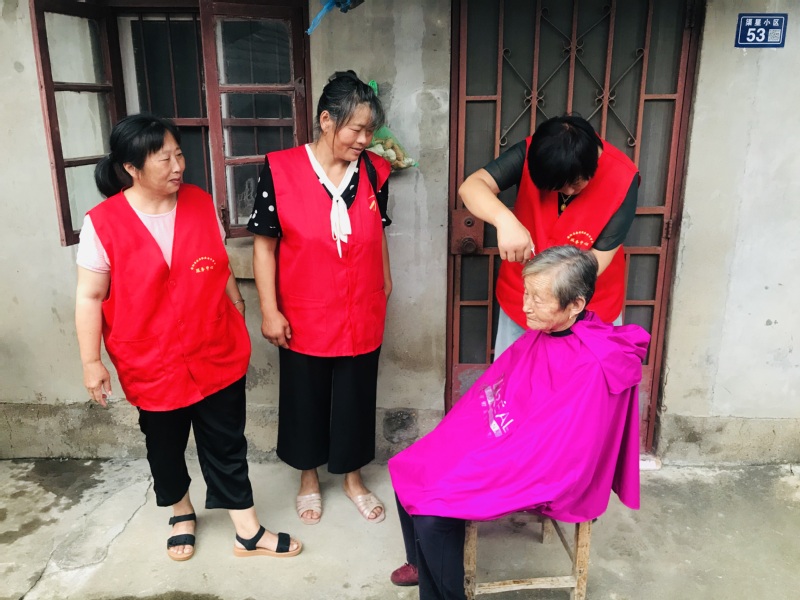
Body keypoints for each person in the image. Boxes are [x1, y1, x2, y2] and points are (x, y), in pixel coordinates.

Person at [75, 113, 301, 561]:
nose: (178, 166)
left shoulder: (199, 202)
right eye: (164, 159)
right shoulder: (102, 223)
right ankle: (181, 512)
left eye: (179, 154)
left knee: (226, 440)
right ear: (132, 168)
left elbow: (215, 262)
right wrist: (91, 361)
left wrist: (236, 302)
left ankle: (247, 529)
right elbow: (90, 295)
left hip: (214, 347)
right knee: (164, 445)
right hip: (151, 360)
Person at [388, 246, 649, 599]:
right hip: (510, 439)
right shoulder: (548, 331)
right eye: (526, 293)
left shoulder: (593, 364)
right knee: (409, 463)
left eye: (537, 299)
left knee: (433, 512)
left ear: (576, 304)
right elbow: (506, 389)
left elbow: (565, 451)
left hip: (544, 468)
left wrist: (491, 455)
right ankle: (421, 562)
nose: (525, 306)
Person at [249, 71, 393, 526]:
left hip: (362, 306)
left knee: (356, 396)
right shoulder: (280, 170)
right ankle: (308, 478)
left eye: (370, 131)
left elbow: (379, 231)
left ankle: (352, 478)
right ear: (327, 120)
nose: (364, 140)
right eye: (357, 129)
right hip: (304, 310)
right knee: (304, 397)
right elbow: (264, 247)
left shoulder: (375, 171)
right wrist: (269, 310)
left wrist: (386, 284)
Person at [458, 115, 639, 357]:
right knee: (516, 375)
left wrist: (553, 304)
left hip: (582, 304)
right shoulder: (534, 151)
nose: (568, 192)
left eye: (575, 183)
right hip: (524, 299)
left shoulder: (623, 176)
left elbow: (598, 260)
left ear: (593, 165)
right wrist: (505, 220)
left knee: (578, 378)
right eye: (558, 187)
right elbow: (471, 186)